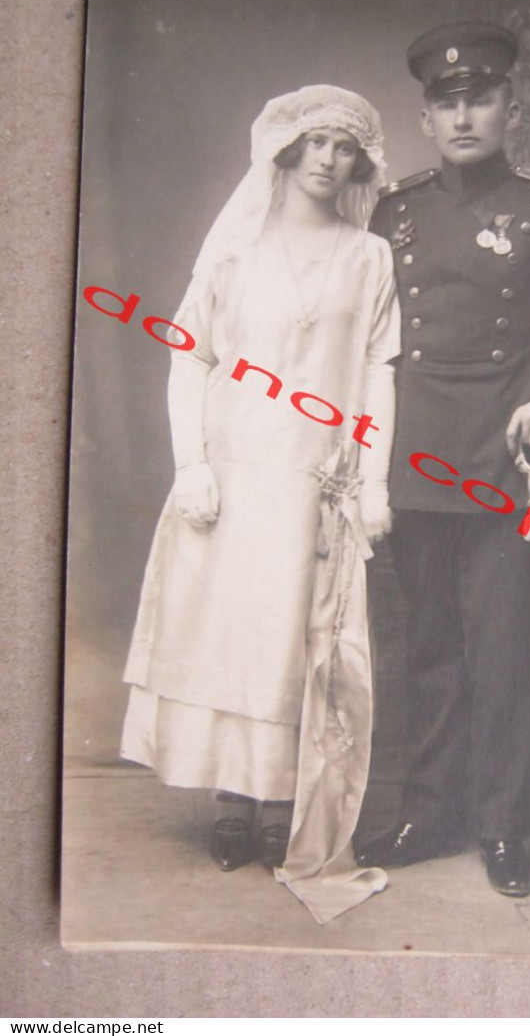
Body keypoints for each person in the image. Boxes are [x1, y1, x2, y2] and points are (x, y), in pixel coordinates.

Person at [357, 23, 530, 897]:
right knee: (427, 647)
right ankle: (430, 811)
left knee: (501, 649)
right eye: (447, 103)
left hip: (508, 462)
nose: (464, 115)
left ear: (510, 107)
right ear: (427, 119)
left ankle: (502, 826)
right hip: (412, 455)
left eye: (480, 98)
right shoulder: (392, 211)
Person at [120, 85, 400, 924]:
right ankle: (234, 804)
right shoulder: (234, 252)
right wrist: (192, 465)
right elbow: (188, 356)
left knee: (295, 640)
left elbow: (378, 370)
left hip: (318, 475)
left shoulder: (369, 256)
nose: (327, 159)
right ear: (283, 150)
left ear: (359, 161)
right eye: (313, 142)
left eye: (343, 147)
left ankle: (286, 804)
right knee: (234, 634)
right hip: (236, 469)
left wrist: (376, 479)